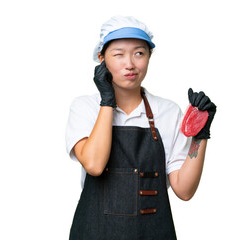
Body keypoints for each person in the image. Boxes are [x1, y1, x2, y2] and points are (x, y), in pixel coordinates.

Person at [65, 15, 216, 240]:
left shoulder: (167, 111)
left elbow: (184, 190)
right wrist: (107, 101)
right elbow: (94, 165)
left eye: (139, 53)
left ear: (149, 57)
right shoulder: (84, 107)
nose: (130, 64)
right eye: (118, 54)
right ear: (101, 59)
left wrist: (200, 135)